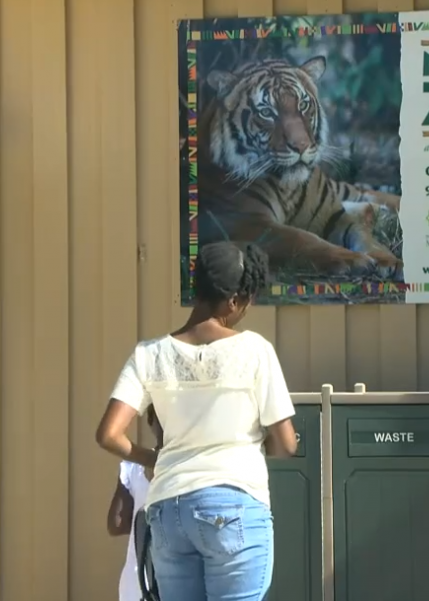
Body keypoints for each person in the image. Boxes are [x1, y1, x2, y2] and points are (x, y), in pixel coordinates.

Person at [95, 241, 299, 601]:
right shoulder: (255, 350)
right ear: (232, 301)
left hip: (169, 511)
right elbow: (286, 444)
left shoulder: (149, 354)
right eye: (246, 302)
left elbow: (108, 434)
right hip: (233, 505)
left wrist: (153, 458)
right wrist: (257, 440)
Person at [107, 407, 163, 601]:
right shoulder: (196, 468)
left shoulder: (133, 466)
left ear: (150, 421)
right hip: (174, 581)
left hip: (136, 582)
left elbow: (116, 524)